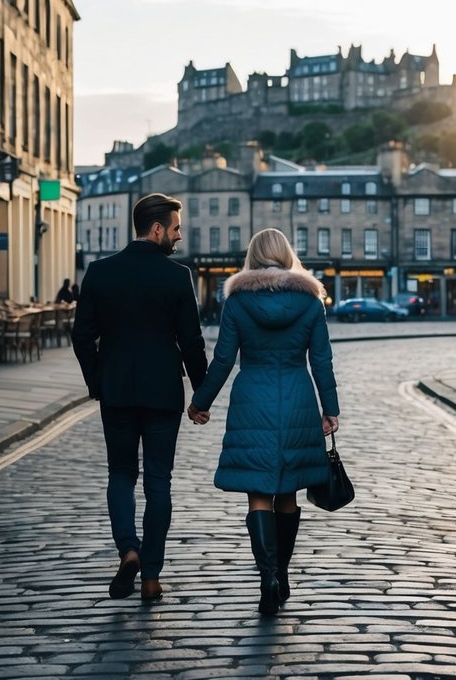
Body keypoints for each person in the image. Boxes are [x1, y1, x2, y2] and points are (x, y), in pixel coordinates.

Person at [187, 227, 339, 617]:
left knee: (258, 490)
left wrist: (200, 401)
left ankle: (267, 575)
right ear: (287, 255)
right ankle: (283, 574)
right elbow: (321, 360)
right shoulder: (310, 302)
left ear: (252, 257)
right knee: (286, 492)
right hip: (297, 398)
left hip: (252, 397)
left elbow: (222, 359)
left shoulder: (237, 302)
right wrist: (330, 408)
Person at [71, 193, 209, 603]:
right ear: (157, 229)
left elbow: (81, 337)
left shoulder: (98, 272)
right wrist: (201, 395)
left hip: (116, 391)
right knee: (159, 482)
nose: (179, 237)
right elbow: (192, 343)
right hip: (163, 392)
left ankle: (128, 549)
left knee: (120, 475)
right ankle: (151, 575)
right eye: (176, 228)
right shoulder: (176, 277)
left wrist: (98, 382)